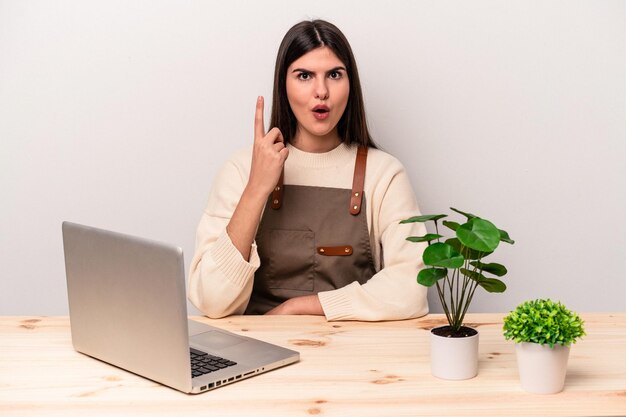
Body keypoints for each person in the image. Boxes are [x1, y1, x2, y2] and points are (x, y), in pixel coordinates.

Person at [188, 19, 428, 321]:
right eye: (304, 75)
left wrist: (300, 307)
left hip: (358, 357)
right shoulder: (240, 169)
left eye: (334, 75)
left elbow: (413, 287)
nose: (321, 91)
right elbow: (210, 301)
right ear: (283, 85)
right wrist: (256, 189)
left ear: (350, 84)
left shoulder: (385, 174)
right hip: (261, 358)